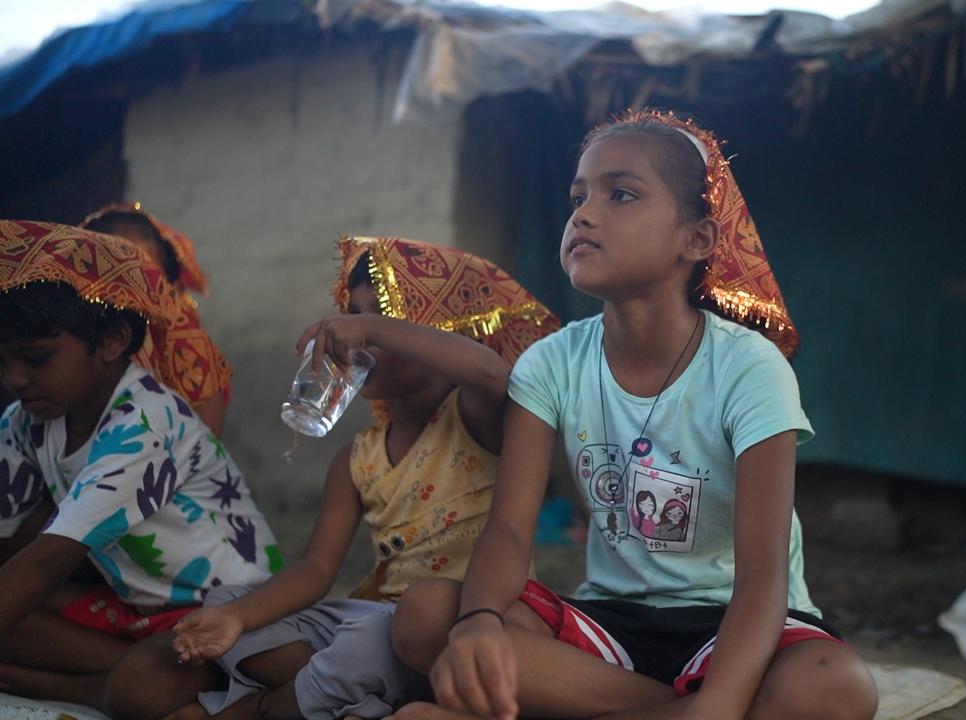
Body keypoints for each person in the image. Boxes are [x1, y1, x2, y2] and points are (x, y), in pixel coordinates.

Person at [388, 110, 878, 720]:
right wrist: (480, 624)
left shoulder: (750, 368)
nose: (584, 213)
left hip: (735, 626)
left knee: (836, 684)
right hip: (611, 630)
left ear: (696, 240)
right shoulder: (551, 364)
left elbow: (761, 573)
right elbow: (511, 531)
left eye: (621, 194)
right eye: (578, 196)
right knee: (427, 617)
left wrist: (719, 701)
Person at [147, 237, 558, 720]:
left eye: (382, 318)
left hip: (450, 623)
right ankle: (352, 695)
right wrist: (236, 618)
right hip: (373, 617)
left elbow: (492, 373)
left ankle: (268, 709)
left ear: (432, 332)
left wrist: (371, 328)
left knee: (368, 645)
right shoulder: (356, 458)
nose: (359, 337)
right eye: (354, 315)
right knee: (231, 599)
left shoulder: (473, 417)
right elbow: (317, 570)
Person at [0, 220, 279, 714]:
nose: (14, 379)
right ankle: (124, 671)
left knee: (141, 689)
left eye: (36, 358)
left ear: (112, 342)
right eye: (4, 361)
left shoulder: (145, 423)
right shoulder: (29, 420)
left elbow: (46, 564)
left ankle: (88, 685)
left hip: (224, 615)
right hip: (134, 612)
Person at [82, 203, 232, 436]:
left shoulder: (193, 360)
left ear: (169, 287)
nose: (127, 294)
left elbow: (204, 457)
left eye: (146, 279)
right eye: (112, 276)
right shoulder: (67, 344)